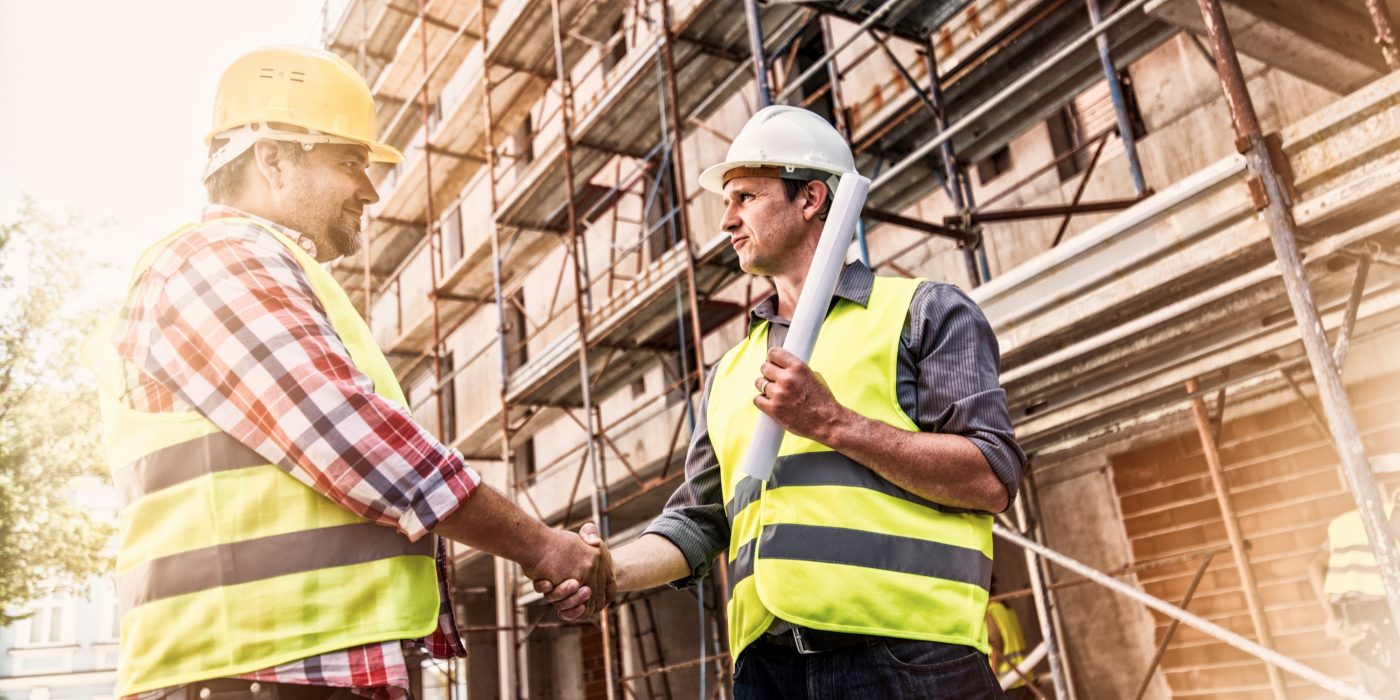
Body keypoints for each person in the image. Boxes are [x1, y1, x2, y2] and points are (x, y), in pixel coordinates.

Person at [83, 46, 610, 700]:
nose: (370, 188)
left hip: (281, 667)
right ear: (272, 157)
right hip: (251, 670)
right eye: (349, 162)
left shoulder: (270, 270)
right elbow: (352, 440)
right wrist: (541, 545)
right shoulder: (219, 259)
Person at [538, 105, 1026, 698]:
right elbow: (699, 521)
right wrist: (608, 569)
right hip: (768, 672)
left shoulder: (926, 313)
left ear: (812, 198)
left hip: (910, 659)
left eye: (744, 196)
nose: (726, 221)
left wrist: (834, 423)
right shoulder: (731, 372)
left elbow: (990, 478)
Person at [1308, 455, 1400, 698]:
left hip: (1357, 622)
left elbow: (1314, 566)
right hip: (1382, 620)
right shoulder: (1391, 518)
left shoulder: (1347, 523)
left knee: (1384, 690)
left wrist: (1333, 618)